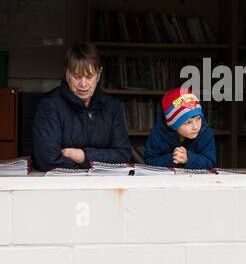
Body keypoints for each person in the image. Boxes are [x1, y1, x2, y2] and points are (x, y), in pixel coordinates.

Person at [32, 43, 132, 171]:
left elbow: (123, 155)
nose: (83, 84)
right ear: (67, 74)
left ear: (99, 74)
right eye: (77, 76)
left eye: (89, 76)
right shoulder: (50, 105)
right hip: (62, 185)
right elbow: (47, 160)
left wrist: (83, 156)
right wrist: (94, 165)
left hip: (104, 186)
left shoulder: (111, 106)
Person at [142, 87, 217, 169]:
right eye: (188, 122)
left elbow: (210, 162)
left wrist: (189, 159)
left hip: (197, 180)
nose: (196, 127)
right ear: (174, 124)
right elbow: (149, 161)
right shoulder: (158, 134)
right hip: (166, 180)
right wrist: (171, 158)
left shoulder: (205, 132)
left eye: (198, 119)